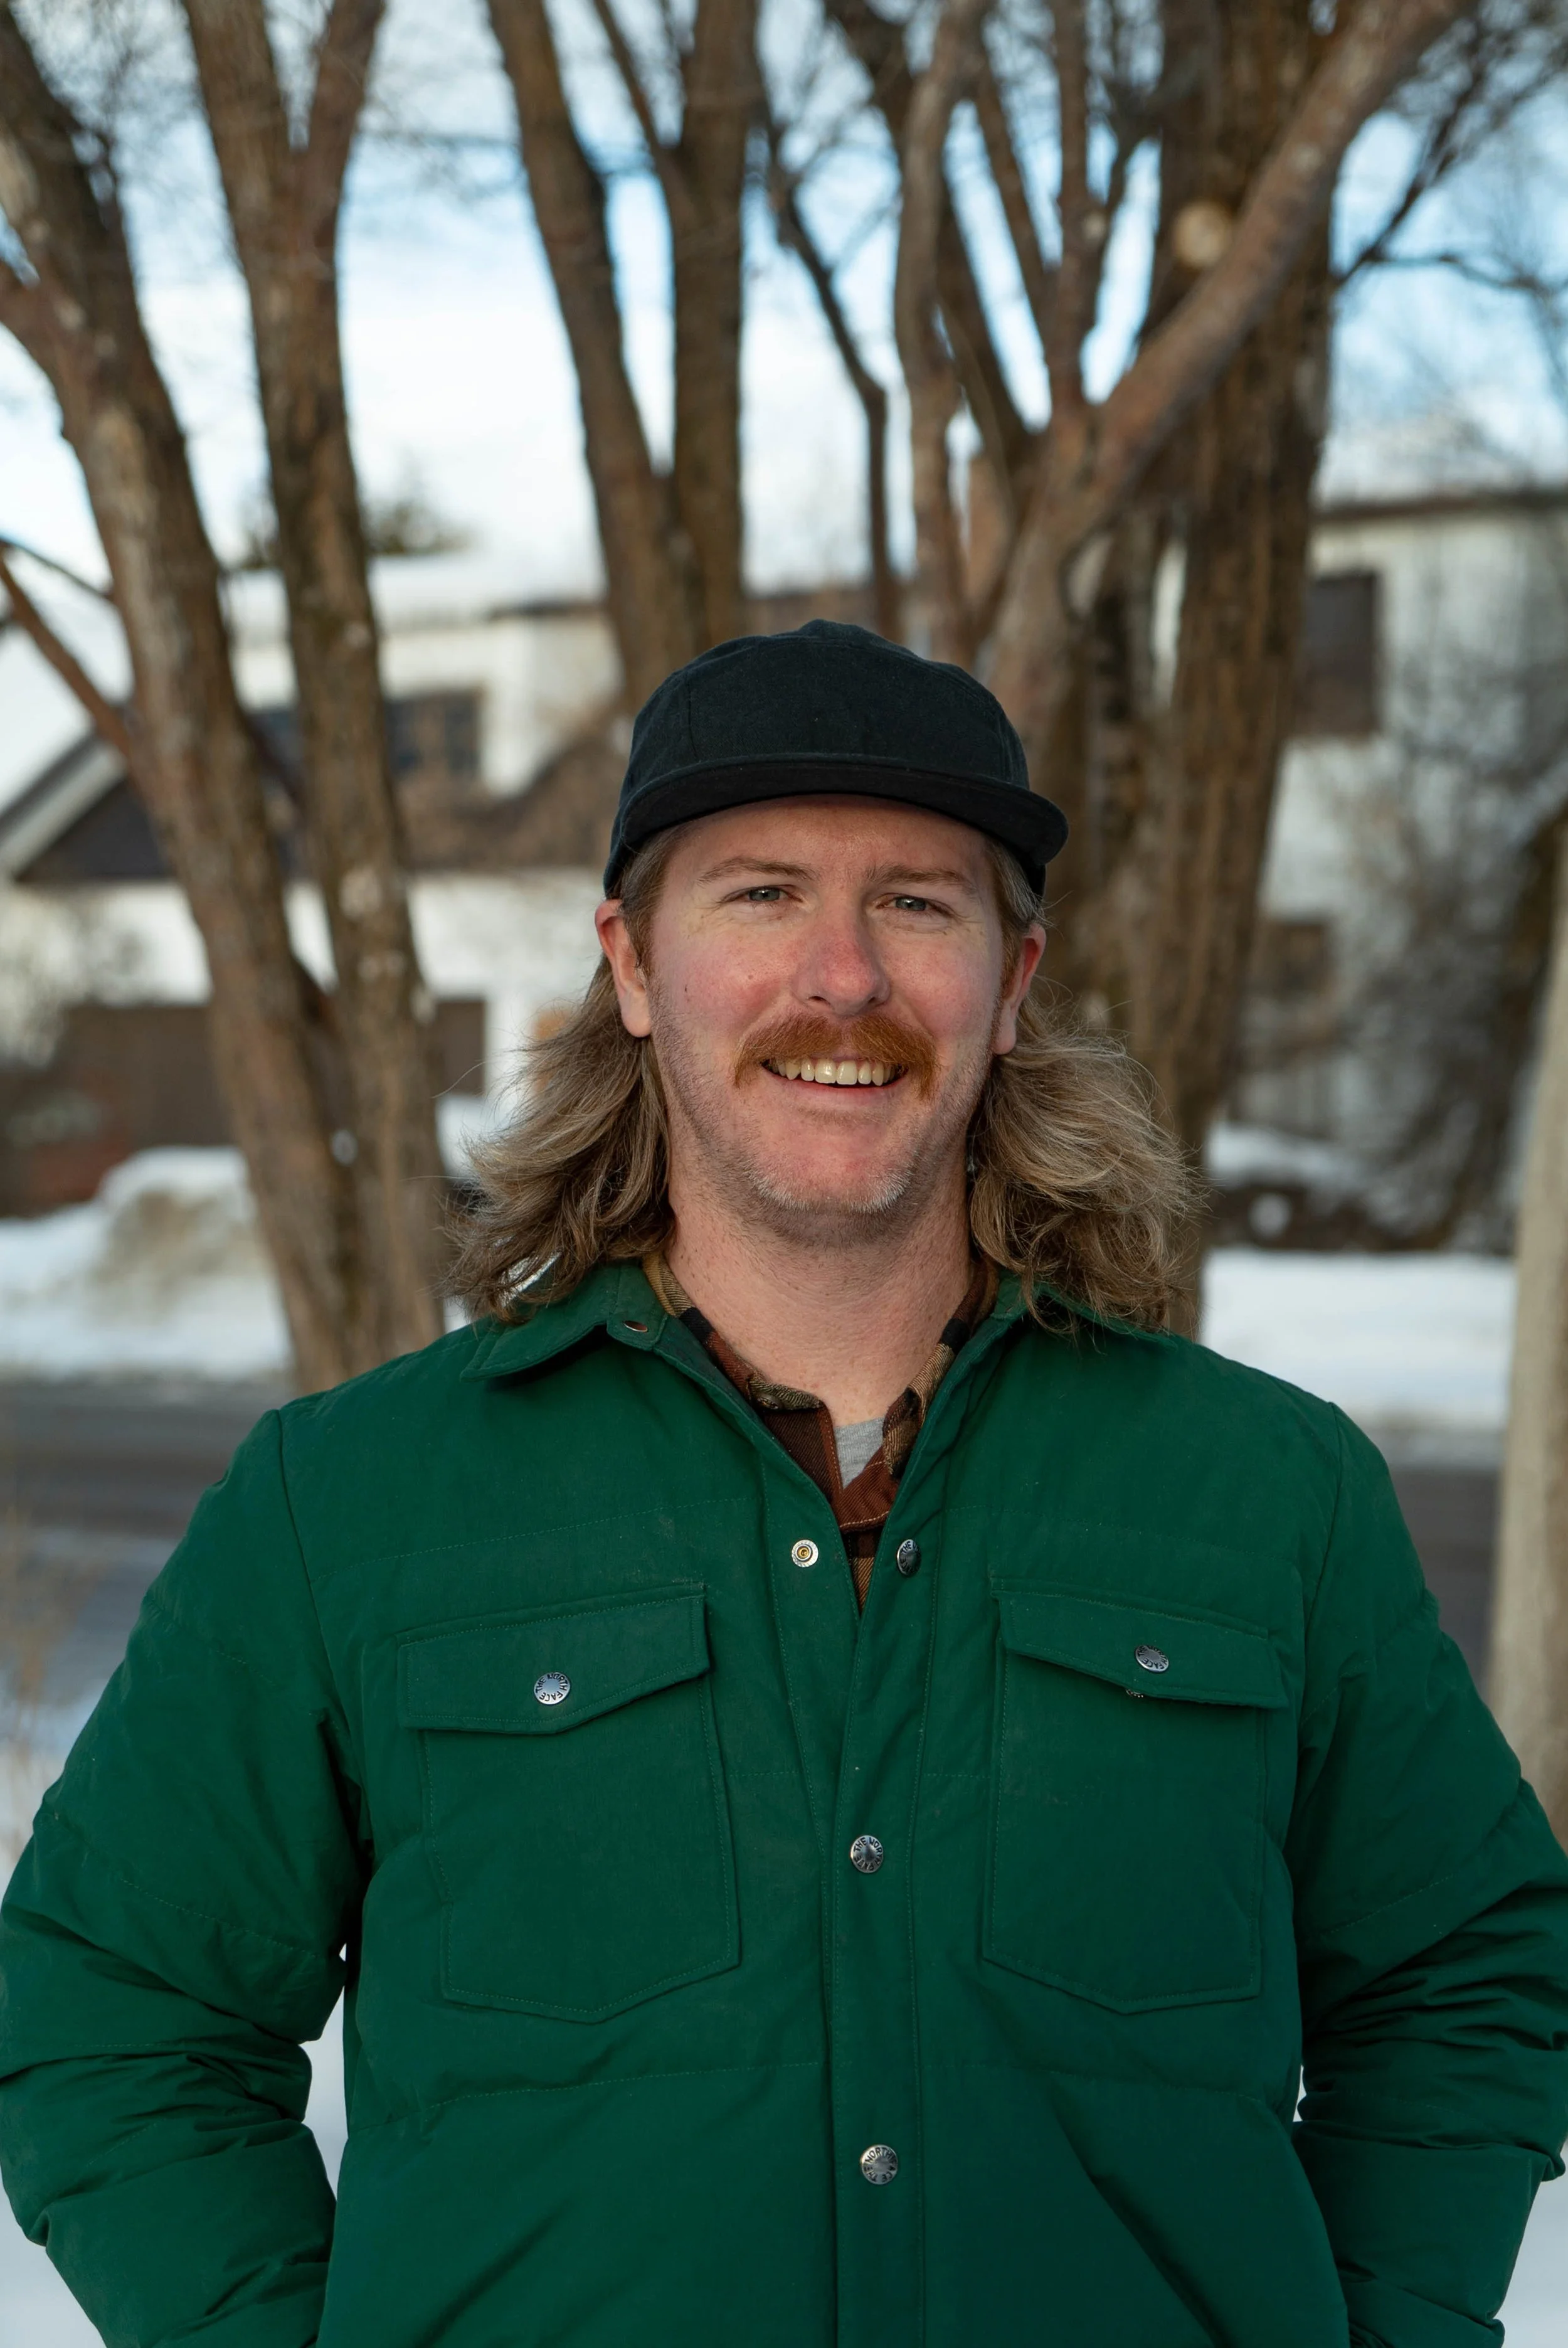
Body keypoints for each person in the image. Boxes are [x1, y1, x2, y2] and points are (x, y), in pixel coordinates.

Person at [3, 619, 1567, 2348]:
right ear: (629, 963)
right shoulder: (350, 1504)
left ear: (1013, 977)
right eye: (757, 893)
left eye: (916, 900)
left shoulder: (1271, 1498)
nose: (842, 977)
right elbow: (109, 2012)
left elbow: (1460, 1977)